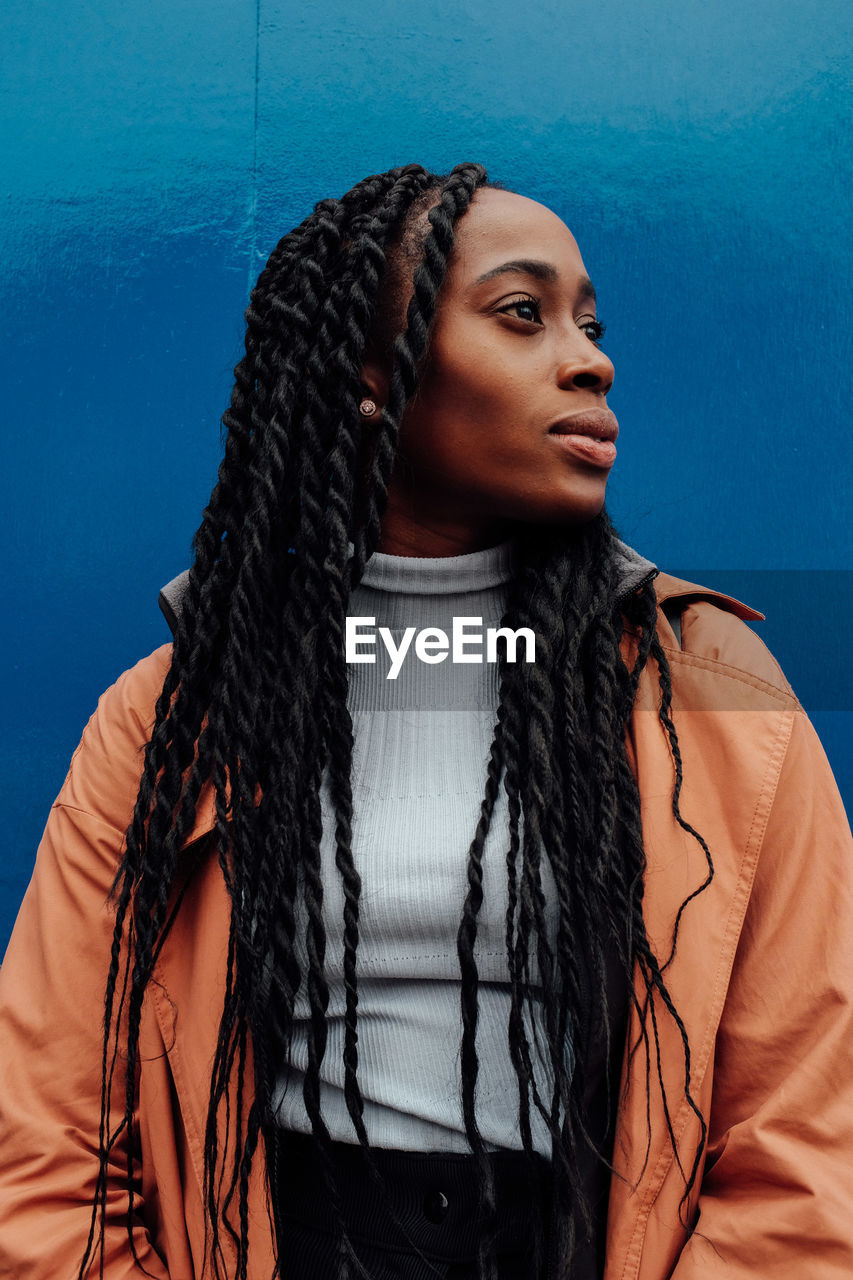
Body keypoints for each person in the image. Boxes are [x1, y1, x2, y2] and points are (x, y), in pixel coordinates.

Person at [0, 161, 851, 1280]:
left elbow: (801, 1152)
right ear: (372, 373)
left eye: (589, 323)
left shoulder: (713, 694)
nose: (592, 358)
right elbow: (50, 1151)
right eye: (521, 313)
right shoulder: (178, 715)